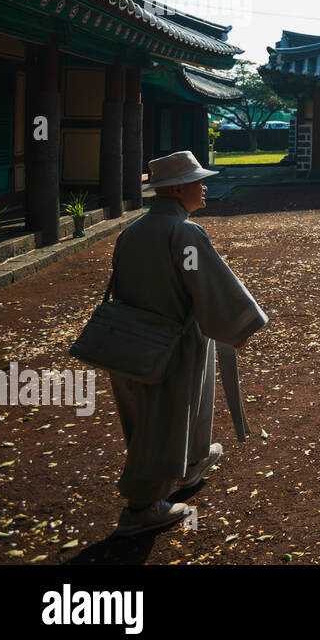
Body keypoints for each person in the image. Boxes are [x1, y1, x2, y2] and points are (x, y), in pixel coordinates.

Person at [109, 150, 268, 536]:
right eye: (198, 182)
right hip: (171, 342)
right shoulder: (183, 232)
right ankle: (142, 507)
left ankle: (193, 462)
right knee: (161, 419)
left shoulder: (133, 231)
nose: (205, 187)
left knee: (170, 410)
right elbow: (207, 284)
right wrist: (238, 326)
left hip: (131, 339)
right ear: (178, 188)